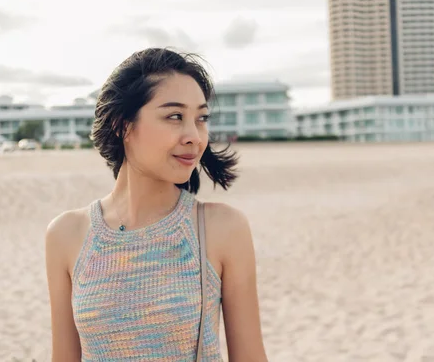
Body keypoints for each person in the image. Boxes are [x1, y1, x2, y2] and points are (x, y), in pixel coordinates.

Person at [45, 48, 268, 361]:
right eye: (174, 116)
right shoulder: (66, 235)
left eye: (201, 118)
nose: (194, 136)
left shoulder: (221, 229)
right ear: (123, 125)